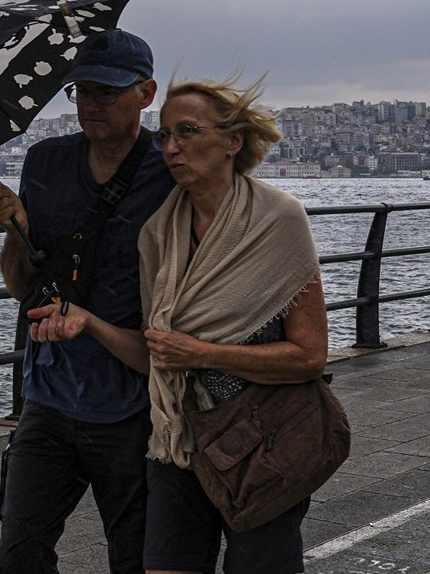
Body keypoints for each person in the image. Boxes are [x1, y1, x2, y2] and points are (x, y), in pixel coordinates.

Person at [0, 28, 174, 573]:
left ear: (146, 93)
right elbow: (24, 285)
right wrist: (15, 226)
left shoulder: (170, 168)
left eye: (106, 92)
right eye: (81, 91)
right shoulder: (46, 162)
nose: (90, 105)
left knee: (135, 555)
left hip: (133, 402)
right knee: (19, 551)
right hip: (49, 395)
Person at [137, 77, 327, 573]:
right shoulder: (158, 233)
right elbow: (156, 351)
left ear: (232, 141)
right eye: (165, 136)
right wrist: (85, 323)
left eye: (188, 131)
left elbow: (309, 355)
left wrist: (201, 353)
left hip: (261, 439)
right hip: (177, 438)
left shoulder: (278, 220)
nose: (173, 148)